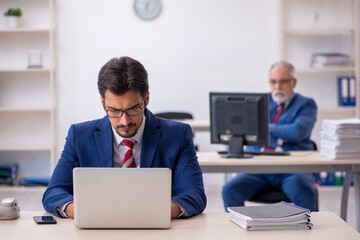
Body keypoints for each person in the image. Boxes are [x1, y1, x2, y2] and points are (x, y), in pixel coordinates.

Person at [42, 56, 207, 219]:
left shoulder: (178, 135)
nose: (124, 121)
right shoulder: (80, 135)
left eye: (133, 109)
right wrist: (84, 211)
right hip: (97, 228)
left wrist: (148, 213)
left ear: (146, 99)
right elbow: (54, 193)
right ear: (103, 103)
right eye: (114, 110)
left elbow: (194, 194)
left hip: (155, 230)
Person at [222, 60, 318, 211]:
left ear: (294, 82)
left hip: (292, 169)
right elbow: (247, 130)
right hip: (259, 168)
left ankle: (308, 231)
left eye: (283, 81)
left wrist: (264, 128)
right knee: (230, 189)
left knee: (304, 189)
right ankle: (239, 231)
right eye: (273, 82)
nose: (277, 87)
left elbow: (298, 132)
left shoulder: (306, 104)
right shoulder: (258, 102)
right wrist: (283, 131)